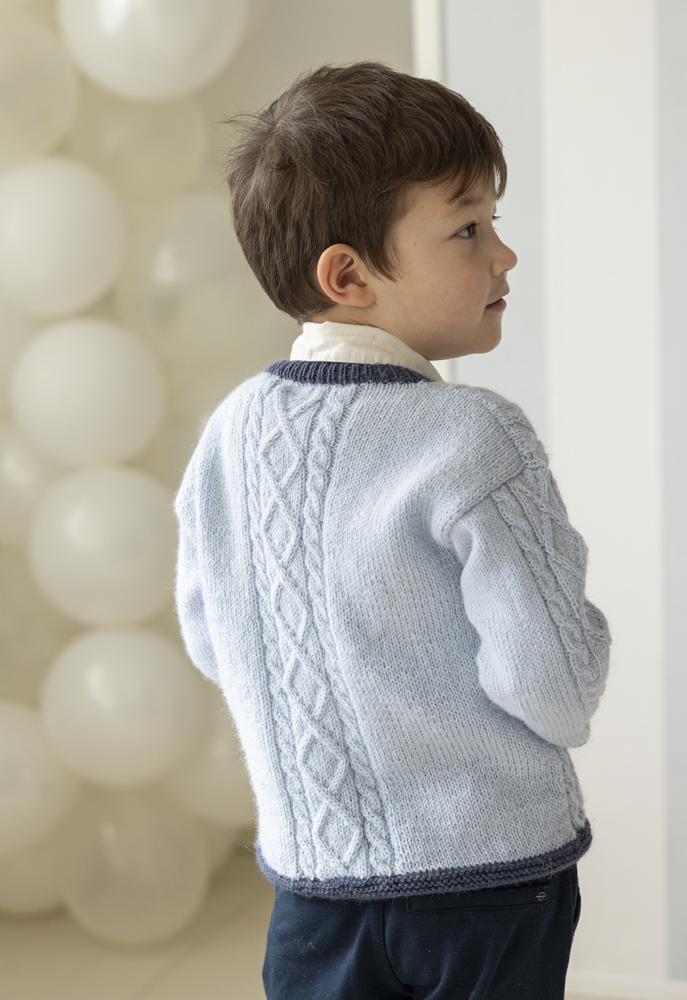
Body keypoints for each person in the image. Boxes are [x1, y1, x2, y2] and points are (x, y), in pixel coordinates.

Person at [174, 62, 612, 1000]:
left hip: (315, 885)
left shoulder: (229, 433)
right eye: (467, 229)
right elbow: (556, 687)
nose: (504, 254)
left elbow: (215, 639)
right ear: (349, 274)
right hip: (491, 880)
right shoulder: (474, 436)